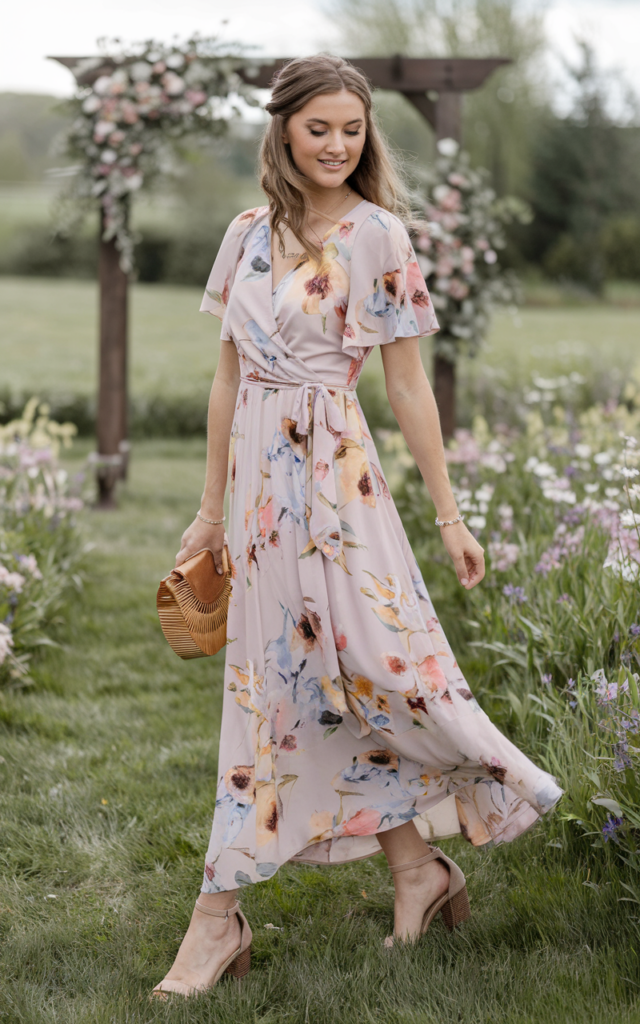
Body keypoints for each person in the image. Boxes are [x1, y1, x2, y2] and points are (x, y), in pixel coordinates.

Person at [152, 53, 563, 1000]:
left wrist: (450, 514)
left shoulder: (380, 236)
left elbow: (408, 383)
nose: (338, 145)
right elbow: (225, 379)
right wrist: (210, 511)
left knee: (377, 669)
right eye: (319, 128)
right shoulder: (246, 234)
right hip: (258, 492)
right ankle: (415, 872)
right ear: (284, 132)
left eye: (353, 129)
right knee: (283, 691)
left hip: (338, 485)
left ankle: (222, 918)